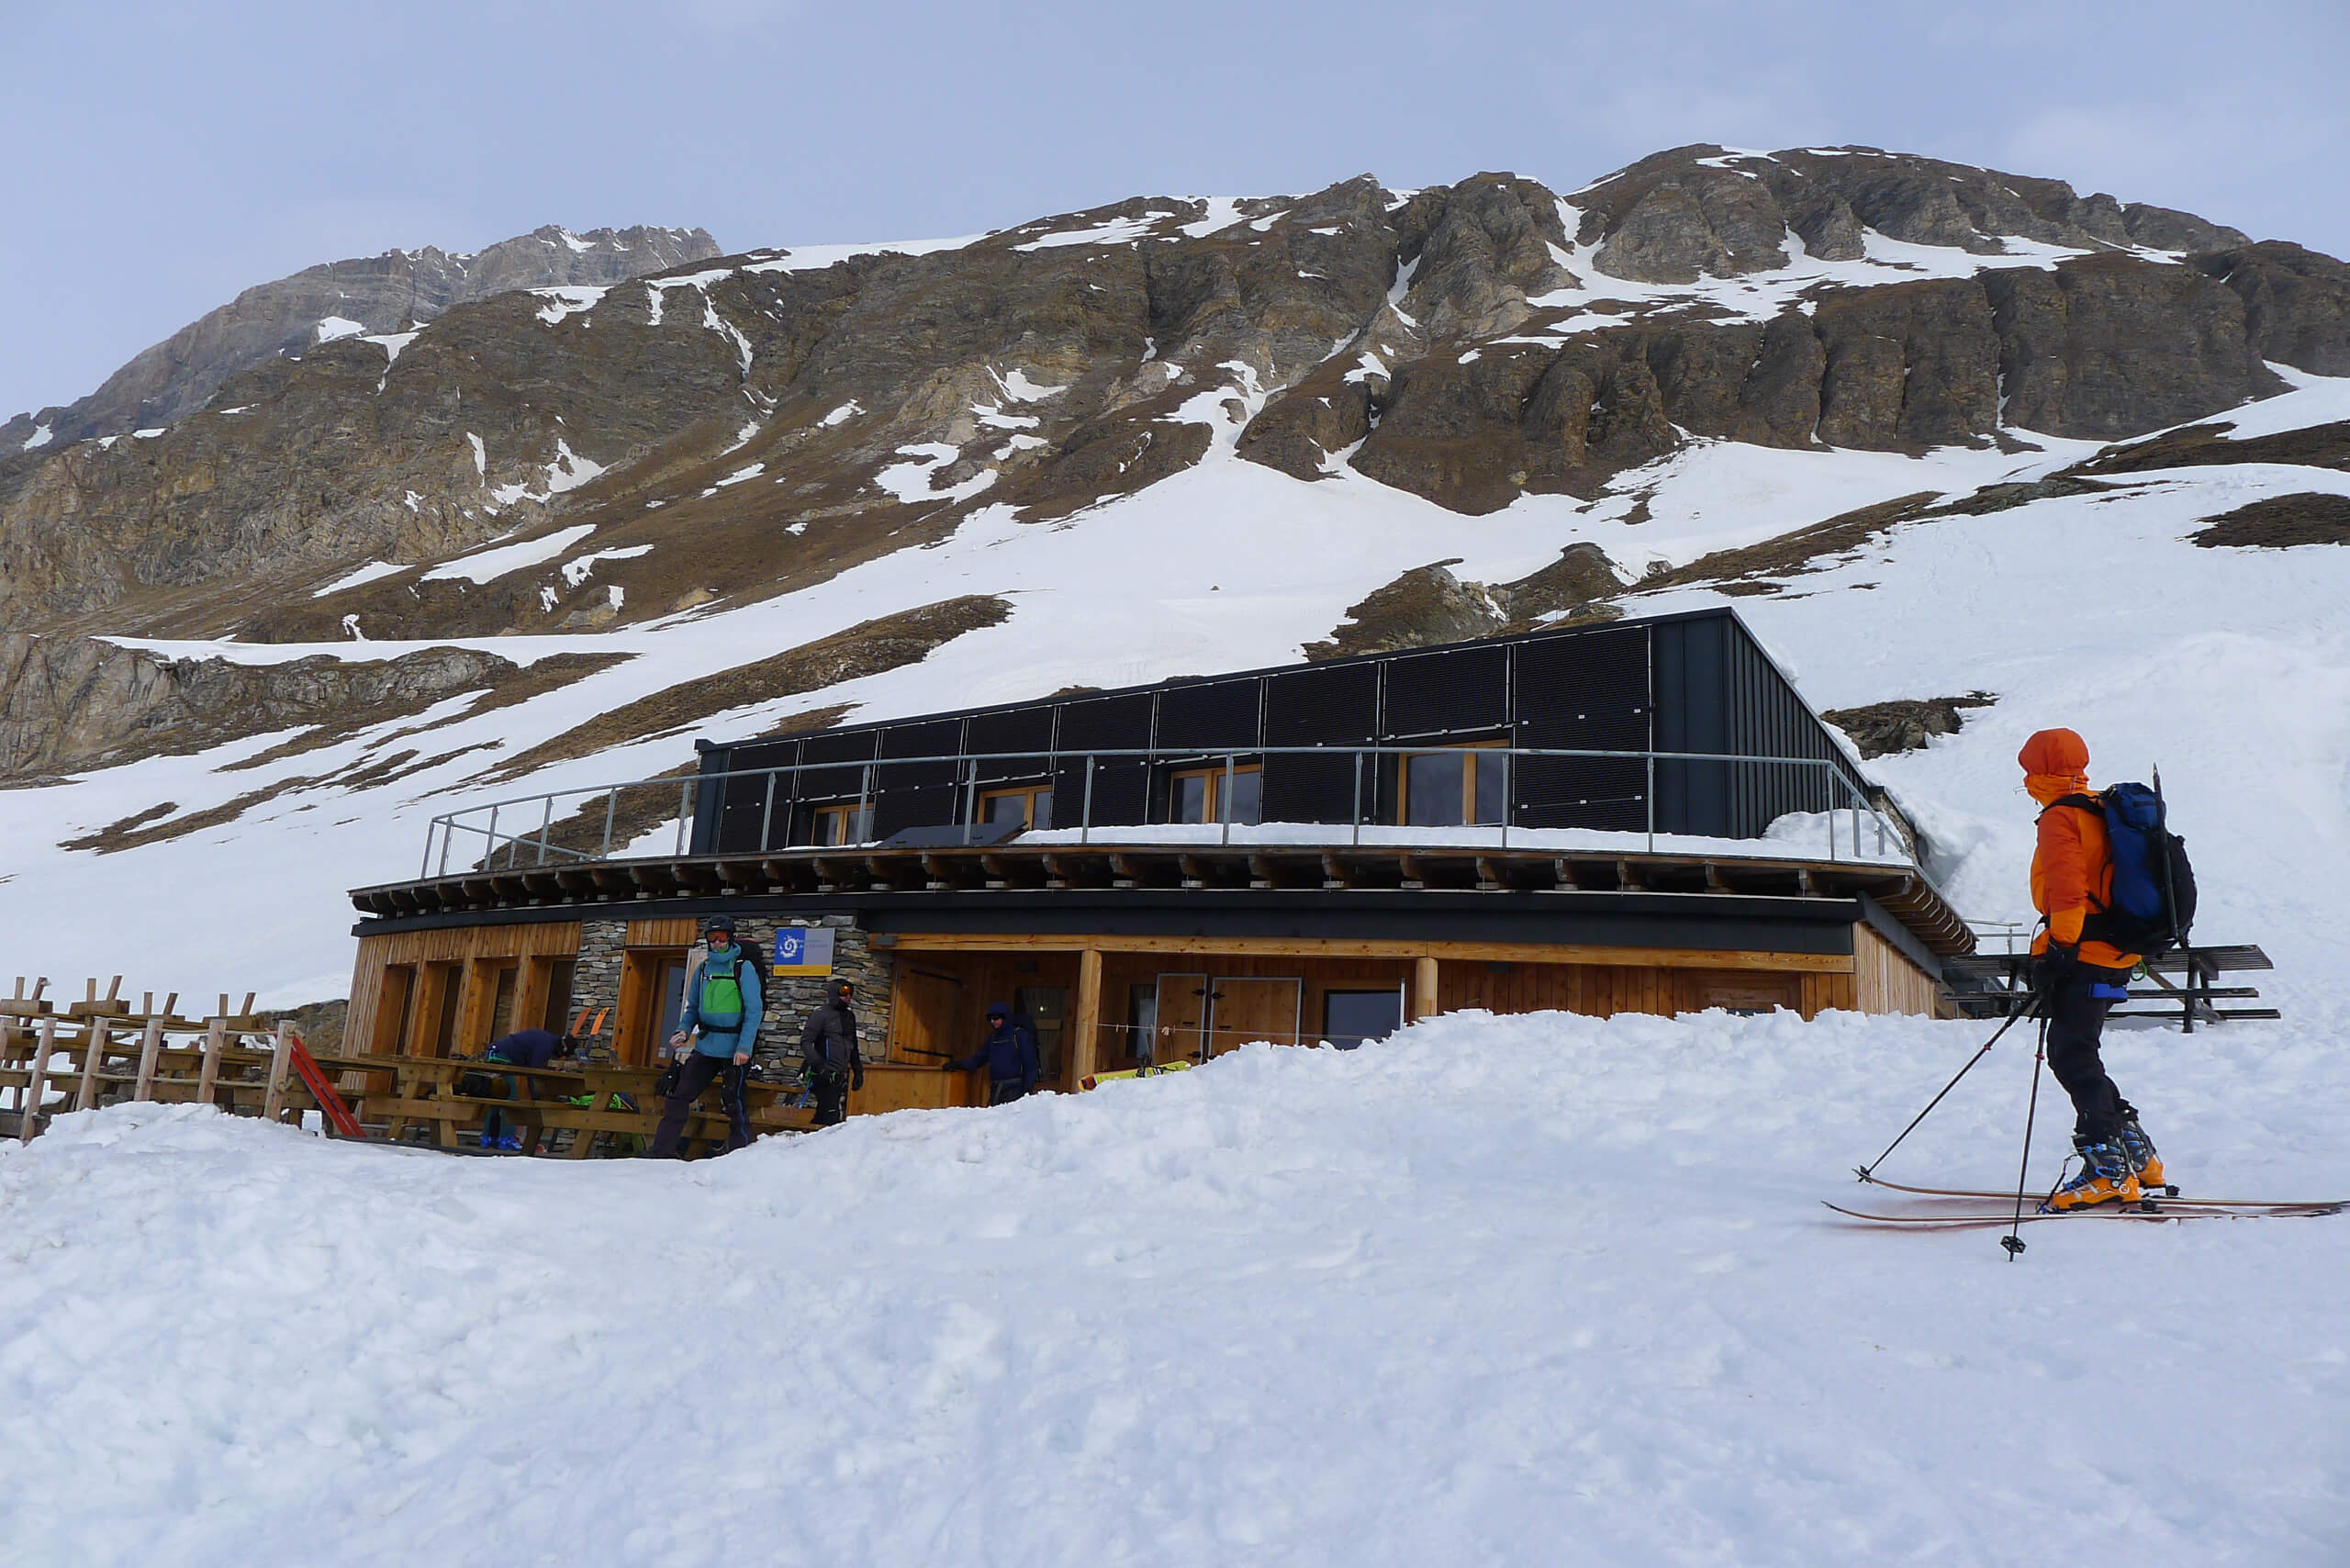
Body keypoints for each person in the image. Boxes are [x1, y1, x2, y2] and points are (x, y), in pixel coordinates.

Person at [2020, 728, 2165, 1211]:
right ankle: (2138, 1158)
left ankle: (2106, 1168)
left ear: (2038, 772)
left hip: (2083, 951)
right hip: (2118, 949)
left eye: (2028, 772)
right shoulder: (2104, 810)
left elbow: (2067, 891)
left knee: (2071, 1056)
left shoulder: (2062, 816)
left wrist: (2058, 951)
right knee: (2079, 1052)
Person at [650, 917, 759, 1157]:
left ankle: (743, 1156)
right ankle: (661, 1152)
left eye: (721, 938)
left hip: (734, 1049)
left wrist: (744, 1047)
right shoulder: (703, 969)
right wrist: (683, 1030)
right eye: (712, 938)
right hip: (706, 1046)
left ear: (730, 938)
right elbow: (692, 1007)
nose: (717, 942)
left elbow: (754, 1011)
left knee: (734, 1103)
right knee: (678, 1097)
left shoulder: (743, 968)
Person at [476, 1027, 579, 1148]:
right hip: (502, 1057)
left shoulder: (546, 1040)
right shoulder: (545, 1045)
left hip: (495, 1052)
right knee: (509, 1097)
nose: (558, 1057)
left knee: (496, 1096)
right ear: (563, 1047)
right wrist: (536, 1097)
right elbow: (534, 1073)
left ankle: (489, 1138)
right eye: (562, 1055)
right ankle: (507, 1139)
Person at [946, 1002, 1042, 1106]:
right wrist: (957, 1064)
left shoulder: (1020, 1036)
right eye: (991, 1019)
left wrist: (1027, 1090)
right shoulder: (992, 1039)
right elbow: (977, 1060)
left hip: (1015, 1090)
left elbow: (1030, 1064)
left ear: (1005, 1018)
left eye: (996, 1018)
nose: (993, 1021)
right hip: (996, 1089)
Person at [800, 979, 865, 1126]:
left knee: (824, 1116)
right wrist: (819, 1066)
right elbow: (806, 1042)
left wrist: (858, 1071)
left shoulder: (849, 1017)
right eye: (844, 993)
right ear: (834, 993)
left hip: (839, 1075)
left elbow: (853, 1044)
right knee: (832, 1116)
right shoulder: (821, 1014)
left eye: (850, 993)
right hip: (822, 1073)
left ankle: (806, 1144)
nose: (848, 997)